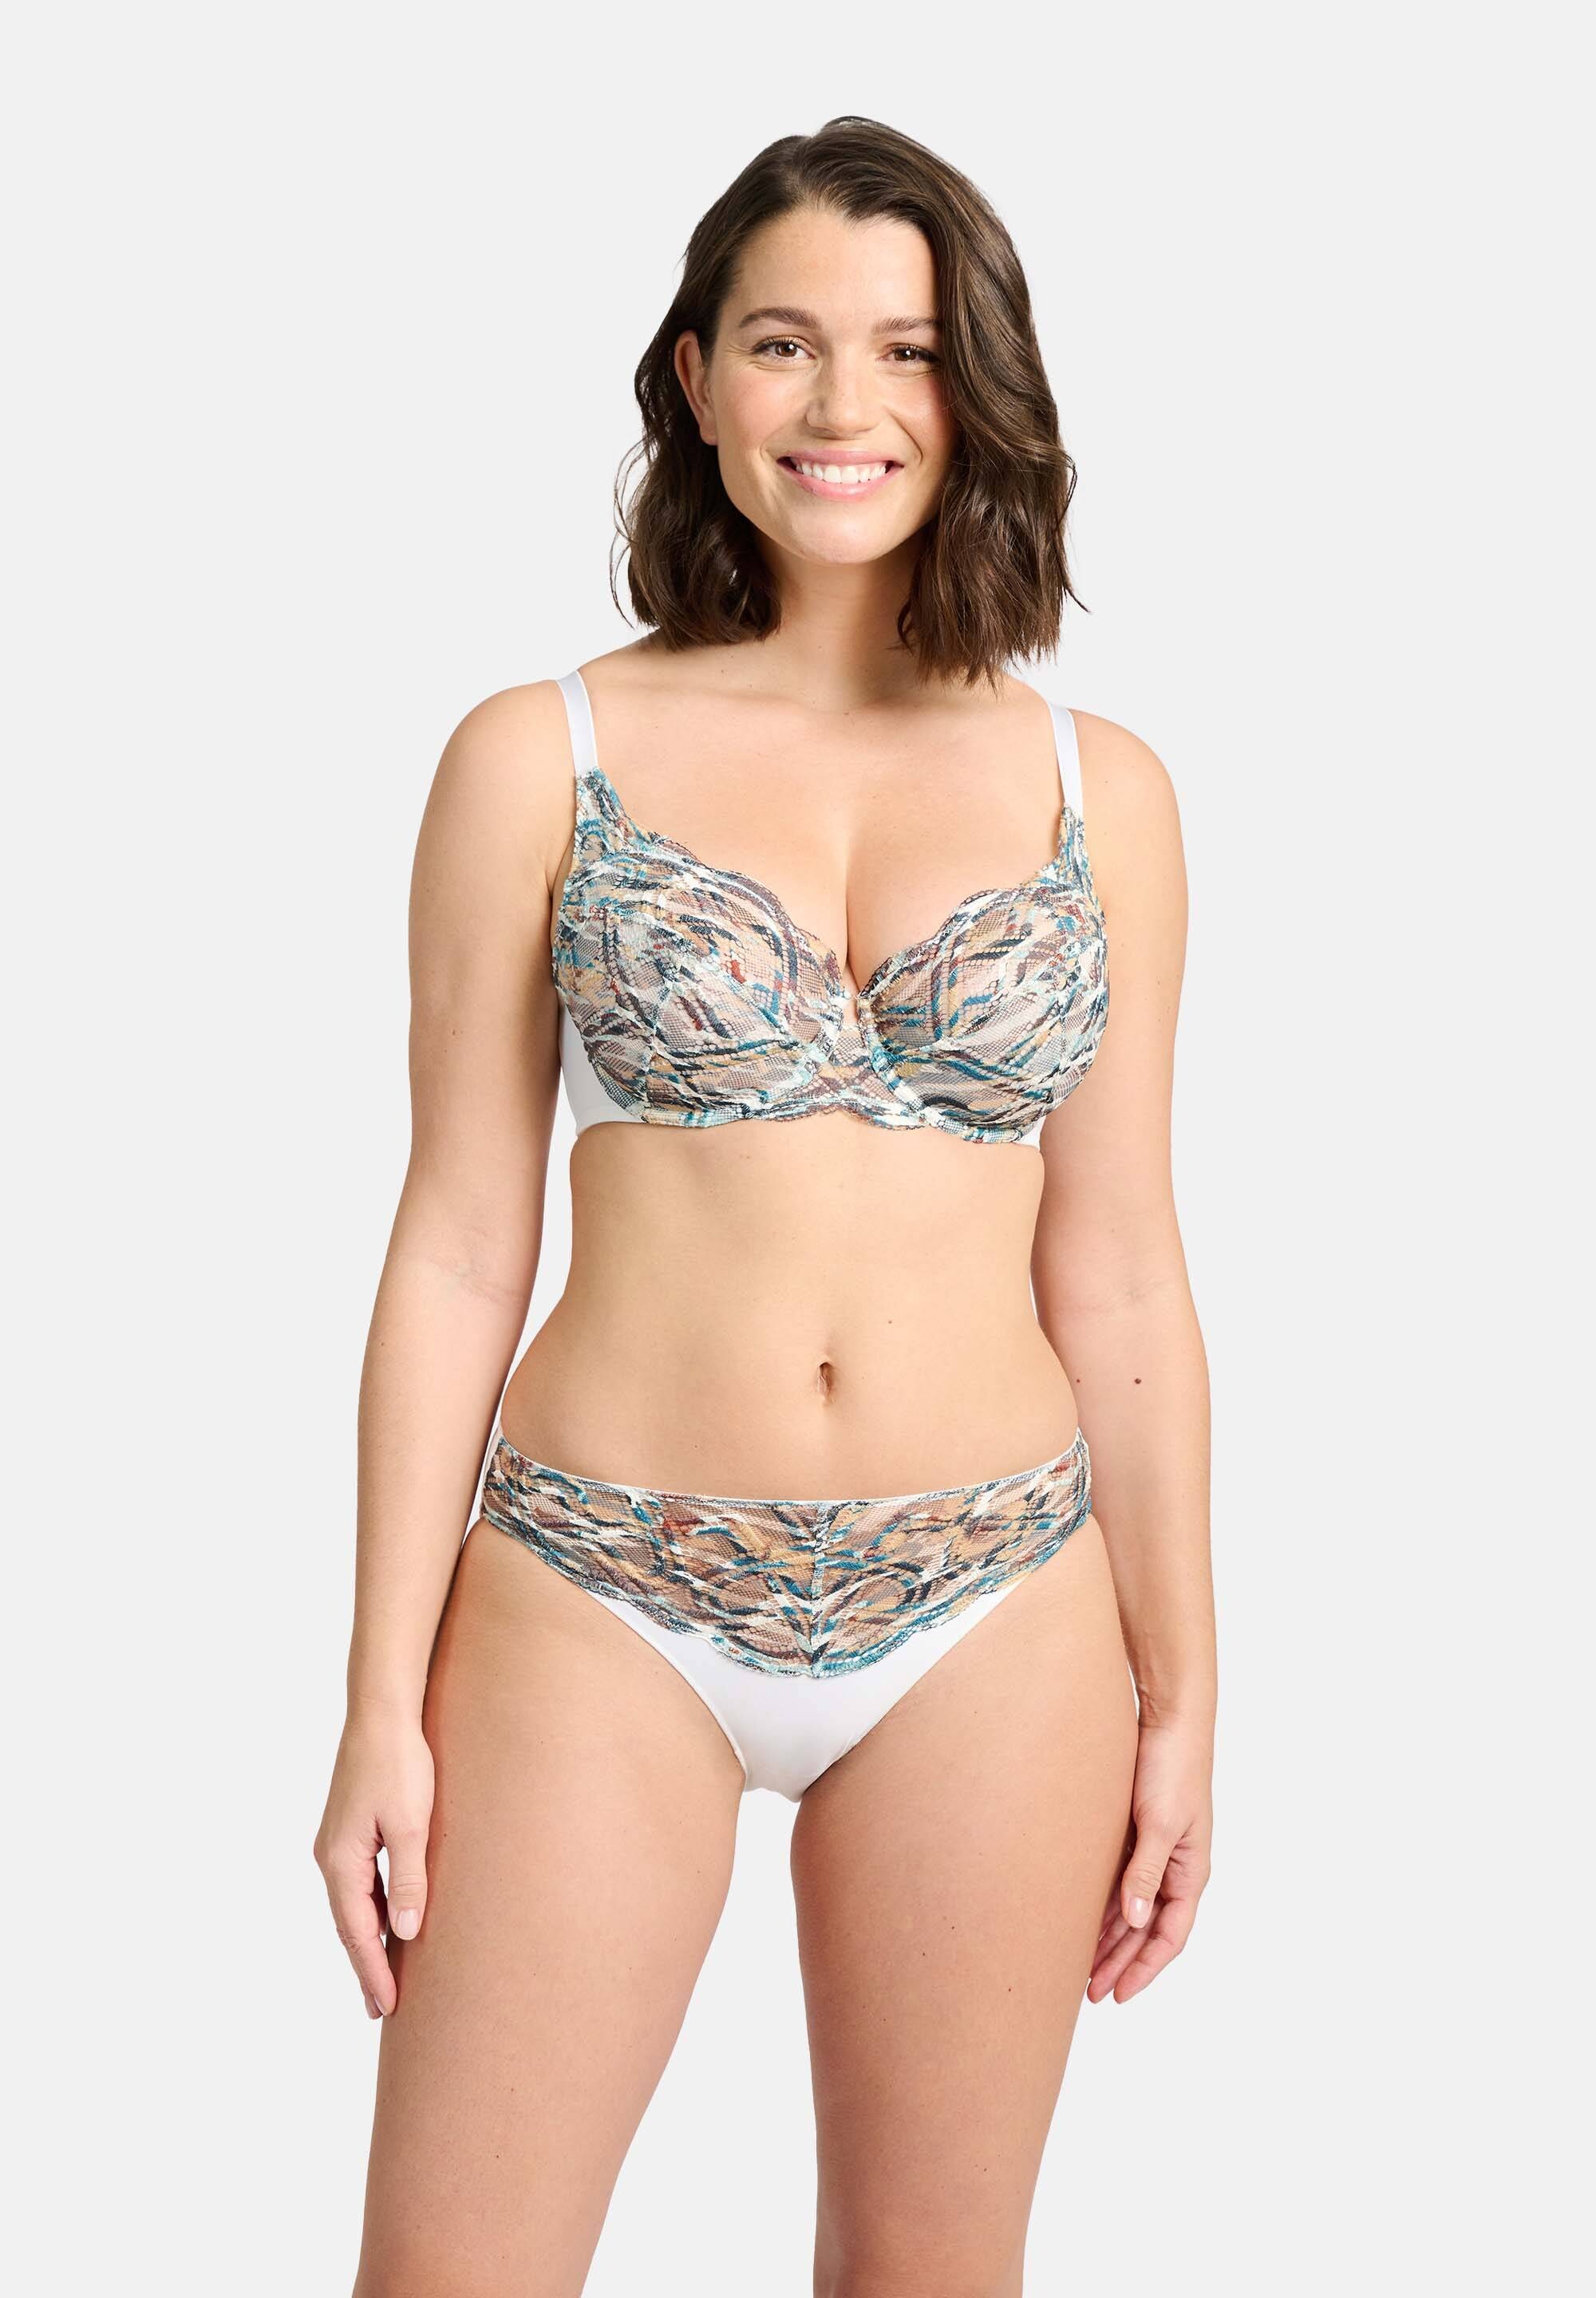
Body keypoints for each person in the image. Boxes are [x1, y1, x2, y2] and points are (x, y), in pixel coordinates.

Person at [316, 114, 1216, 2298]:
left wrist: (1187, 1686)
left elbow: (1120, 1269)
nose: (845, 404)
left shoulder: (1103, 791)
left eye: (905, 350)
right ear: (698, 377)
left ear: (974, 390)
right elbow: (456, 1245)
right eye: (788, 342)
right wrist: (374, 1703)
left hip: (997, 1601)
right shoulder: (537, 755)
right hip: (598, 1585)